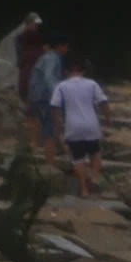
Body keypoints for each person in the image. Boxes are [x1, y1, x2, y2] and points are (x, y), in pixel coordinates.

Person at [50, 54, 109, 197]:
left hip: (73, 126)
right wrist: (107, 119)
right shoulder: (92, 84)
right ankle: (94, 178)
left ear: (66, 72)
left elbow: (54, 106)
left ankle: (83, 189)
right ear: (83, 70)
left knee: (78, 159)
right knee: (95, 154)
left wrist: (58, 127)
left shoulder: (61, 86)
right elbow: (104, 103)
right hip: (91, 125)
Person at [5, 14, 44, 146]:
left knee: (34, 113)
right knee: (32, 113)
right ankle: (35, 140)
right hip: (30, 79)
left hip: (34, 80)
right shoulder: (24, 41)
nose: (35, 28)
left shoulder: (33, 43)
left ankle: (36, 140)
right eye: (33, 25)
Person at [23, 35, 66, 152]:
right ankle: (51, 160)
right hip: (45, 96)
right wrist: (57, 93)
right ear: (60, 46)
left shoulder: (44, 57)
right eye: (65, 46)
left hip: (34, 94)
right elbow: (49, 77)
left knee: (33, 119)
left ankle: (34, 146)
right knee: (50, 126)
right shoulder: (53, 58)